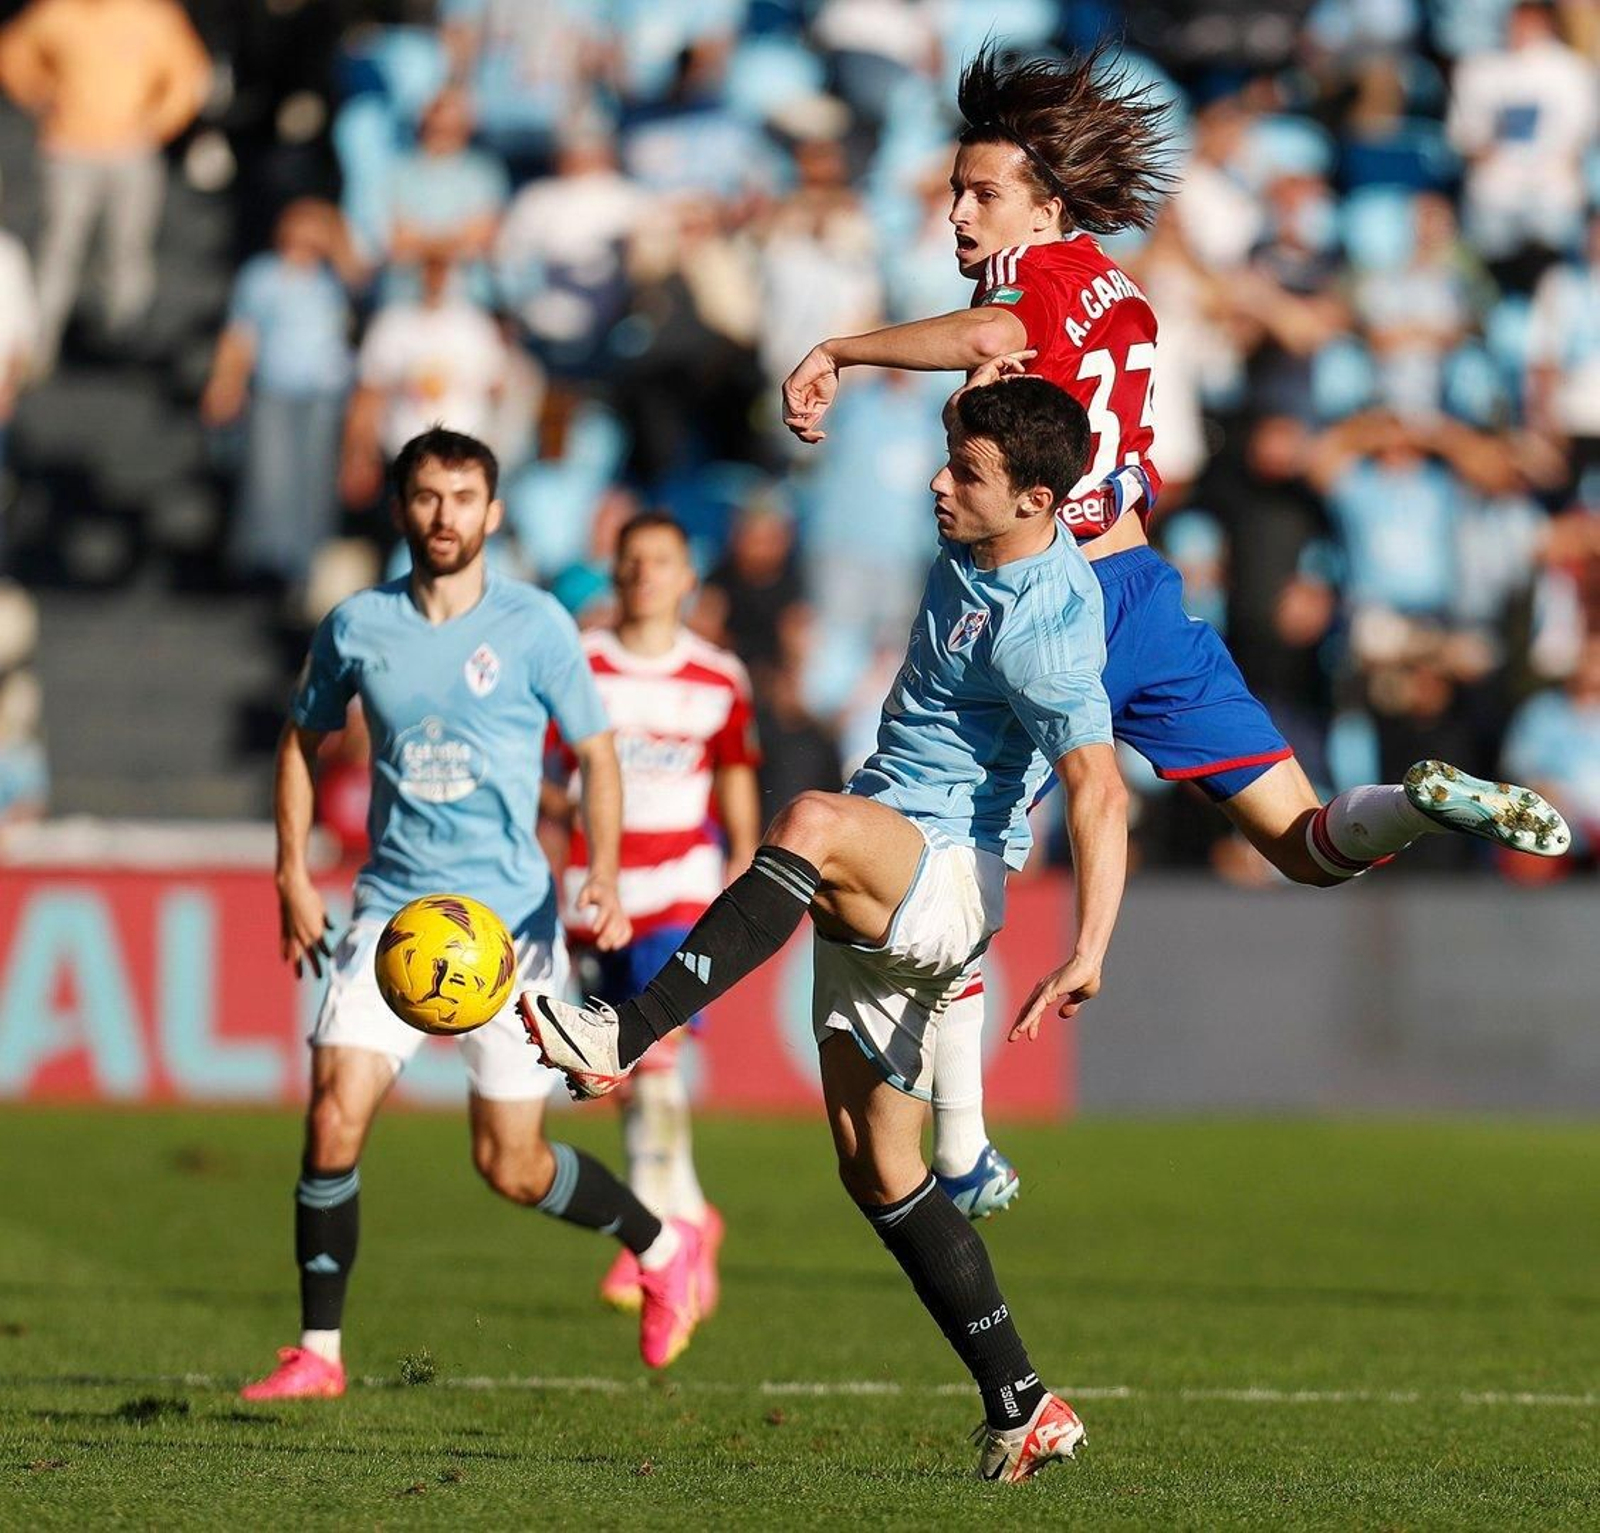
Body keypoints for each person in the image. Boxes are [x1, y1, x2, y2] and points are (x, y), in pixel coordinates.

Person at [778, 44, 1572, 1218]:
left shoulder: (1032, 283)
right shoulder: (1128, 294)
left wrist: (840, 347)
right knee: (1304, 841)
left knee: (952, 847)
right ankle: (1419, 799)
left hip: (1051, 605)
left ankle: (962, 1144)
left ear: (1045, 203)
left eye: (981, 193)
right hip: (1145, 592)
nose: (958, 212)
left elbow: (989, 340)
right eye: (955, 191)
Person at [526, 370, 1130, 1482]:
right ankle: (1023, 1403)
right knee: (872, 1168)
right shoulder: (980, 524)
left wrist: (1087, 947)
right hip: (886, 866)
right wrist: (845, 356)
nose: (941, 484)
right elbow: (988, 345)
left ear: (1037, 501)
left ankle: (625, 1033)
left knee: (806, 820)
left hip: (945, 875)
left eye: (970, 474)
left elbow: (1096, 786)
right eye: (950, 460)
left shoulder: (1046, 621)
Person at [240, 427, 704, 1402]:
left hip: (512, 931)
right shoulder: (358, 625)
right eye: (426, 495)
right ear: (402, 506)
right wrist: (290, 872)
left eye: (463, 497)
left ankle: (663, 1246)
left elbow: (597, 755)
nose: (443, 515)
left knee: (512, 1164)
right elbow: (301, 741)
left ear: (493, 513)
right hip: (392, 920)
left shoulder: (536, 627)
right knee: (332, 1117)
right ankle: (318, 1354)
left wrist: (605, 874)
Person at [550, 512, 761, 1317]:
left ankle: (648, 1236)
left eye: (661, 560)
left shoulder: (718, 677)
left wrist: (743, 853)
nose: (644, 573)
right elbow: (548, 770)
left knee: (656, 1054)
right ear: (616, 570)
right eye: (632, 560)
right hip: (599, 891)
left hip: (683, 886)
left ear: (686, 577)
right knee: (616, 1075)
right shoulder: (583, 666)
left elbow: (737, 768)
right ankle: (692, 1214)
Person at [0, 0, 210, 374]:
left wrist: (158, 123)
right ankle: (39, 341)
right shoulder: (57, 12)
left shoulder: (153, 16)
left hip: (132, 149)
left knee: (128, 242)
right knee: (60, 244)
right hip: (68, 148)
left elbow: (189, 74)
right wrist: (40, 93)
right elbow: (14, 51)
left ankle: (121, 334)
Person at [201, 200, 356, 591]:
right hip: (275, 386)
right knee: (271, 474)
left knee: (315, 477)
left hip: (323, 392)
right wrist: (226, 383)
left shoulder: (332, 279)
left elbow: (362, 279)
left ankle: (308, 562)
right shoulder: (262, 276)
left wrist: (335, 241)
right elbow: (240, 335)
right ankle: (267, 559)